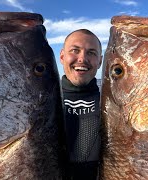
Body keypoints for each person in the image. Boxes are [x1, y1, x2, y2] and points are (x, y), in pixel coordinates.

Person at [59, 29, 102, 180]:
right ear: (62, 56)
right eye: (75, 50)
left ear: (100, 61)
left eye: (91, 52)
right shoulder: (38, 104)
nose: (82, 58)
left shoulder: (114, 107)